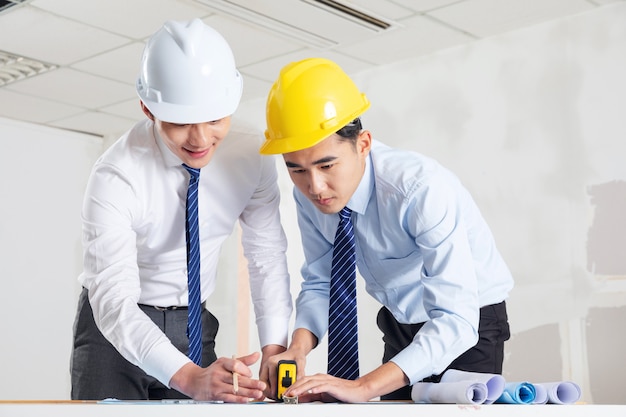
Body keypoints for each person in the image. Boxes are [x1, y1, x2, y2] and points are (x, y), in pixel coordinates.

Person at [259, 58, 514, 403]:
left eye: (326, 165)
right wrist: (298, 348)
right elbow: (322, 280)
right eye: (297, 169)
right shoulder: (309, 196)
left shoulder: (420, 189)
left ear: (362, 143)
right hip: (399, 321)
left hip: (469, 323)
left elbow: (456, 319)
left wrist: (363, 386)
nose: (315, 186)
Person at [70, 19, 292, 402]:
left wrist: (275, 347)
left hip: (195, 322)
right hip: (116, 328)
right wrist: (189, 378)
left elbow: (265, 256)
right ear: (147, 108)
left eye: (215, 119)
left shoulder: (251, 153)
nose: (201, 139)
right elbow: (112, 299)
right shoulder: (116, 174)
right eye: (181, 123)